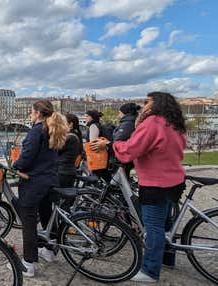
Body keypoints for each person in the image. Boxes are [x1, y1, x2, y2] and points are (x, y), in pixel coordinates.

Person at [95, 92, 186, 283]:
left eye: (147, 102)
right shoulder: (174, 123)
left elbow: (130, 150)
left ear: (155, 105)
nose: (143, 106)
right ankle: (167, 259)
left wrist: (112, 144)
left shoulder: (153, 122)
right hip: (174, 180)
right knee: (166, 224)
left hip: (156, 182)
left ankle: (150, 271)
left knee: (153, 227)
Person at [12, 100, 67, 277]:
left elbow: (27, 157)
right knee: (47, 216)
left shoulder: (36, 132)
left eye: (31, 112)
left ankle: (27, 264)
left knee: (28, 221)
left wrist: (16, 165)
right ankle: (50, 251)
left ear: (37, 113)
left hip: (34, 182)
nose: (30, 115)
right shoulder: (51, 129)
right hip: (50, 179)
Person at [58, 114, 83, 188]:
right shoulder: (75, 135)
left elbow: (55, 151)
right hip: (68, 171)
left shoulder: (69, 137)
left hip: (63, 171)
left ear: (70, 124)